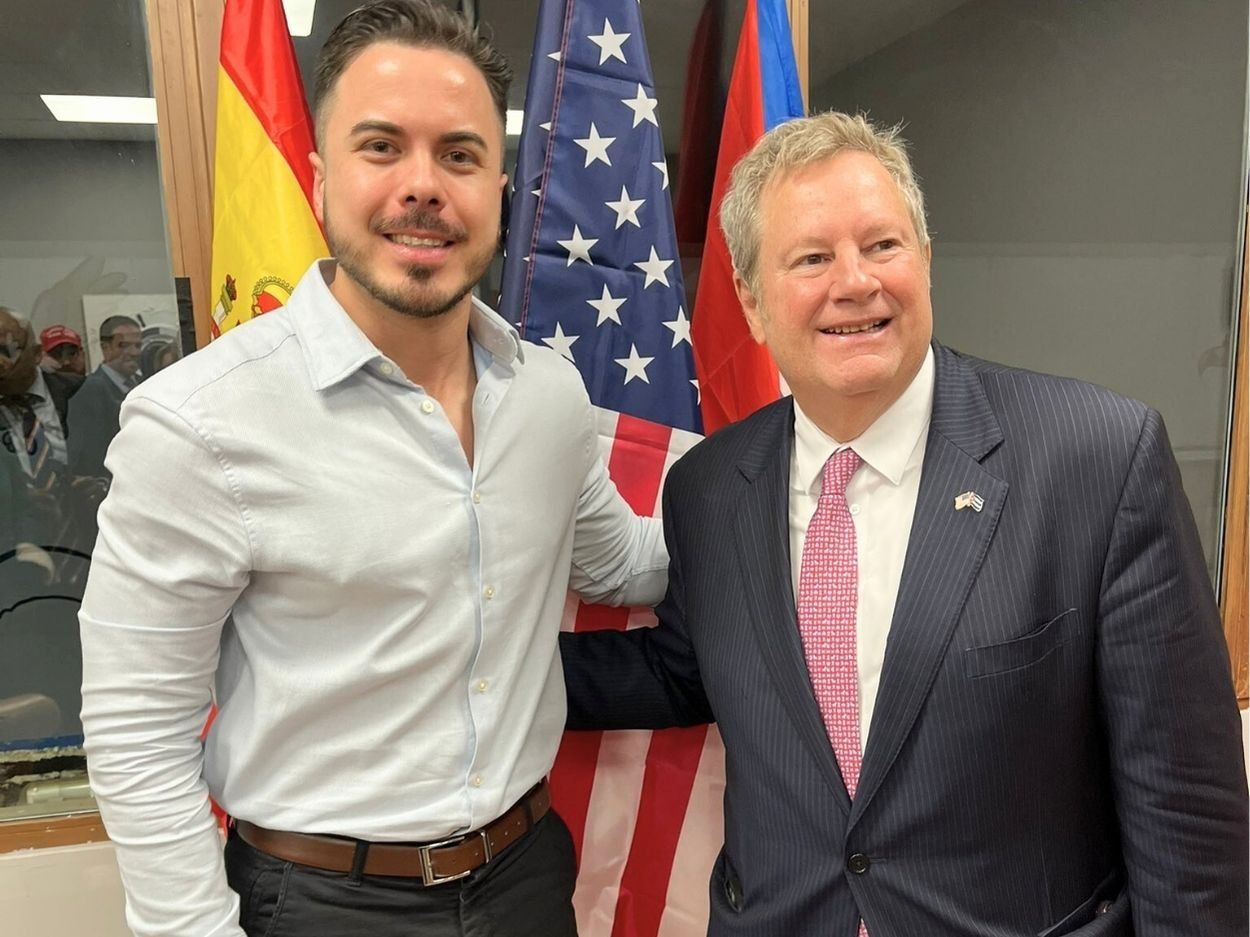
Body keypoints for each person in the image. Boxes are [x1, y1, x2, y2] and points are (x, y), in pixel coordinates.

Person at [561, 112, 1248, 936]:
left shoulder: (1097, 459)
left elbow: (1189, 812)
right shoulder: (709, 490)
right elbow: (691, 668)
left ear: (925, 260)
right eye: (812, 258)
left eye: (882, 245)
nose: (854, 282)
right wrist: (471, 665)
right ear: (750, 299)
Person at [78, 2, 664, 936]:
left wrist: (789, 487)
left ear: (500, 187)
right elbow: (137, 735)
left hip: (526, 879)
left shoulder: (549, 397)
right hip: (321, 902)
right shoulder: (197, 424)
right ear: (319, 179)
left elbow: (625, 561)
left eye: (460, 155)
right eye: (382, 147)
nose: (423, 187)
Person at [66, 314, 141, 478]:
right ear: (105, 348)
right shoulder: (90, 390)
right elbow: (91, 451)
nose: (134, 352)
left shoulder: (145, 385)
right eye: (123, 345)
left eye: (138, 345)